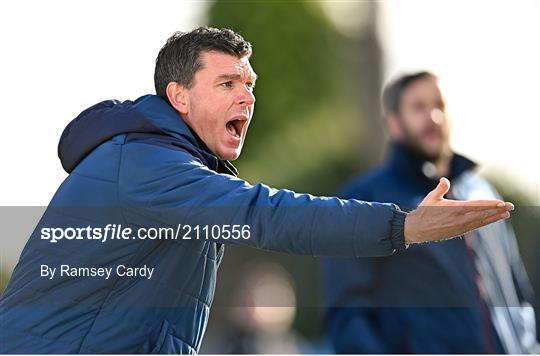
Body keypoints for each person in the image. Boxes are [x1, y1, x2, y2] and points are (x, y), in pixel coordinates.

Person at [0, 28, 513, 354]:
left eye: (249, 84)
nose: (247, 95)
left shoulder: (176, 166)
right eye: (227, 84)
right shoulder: (144, 164)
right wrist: (402, 225)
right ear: (177, 96)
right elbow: (267, 213)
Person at [322, 71, 539, 354]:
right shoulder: (362, 200)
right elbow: (347, 316)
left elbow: (518, 296)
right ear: (394, 124)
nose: (433, 117)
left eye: (440, 105)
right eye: (419, 107)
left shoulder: (484, 193)